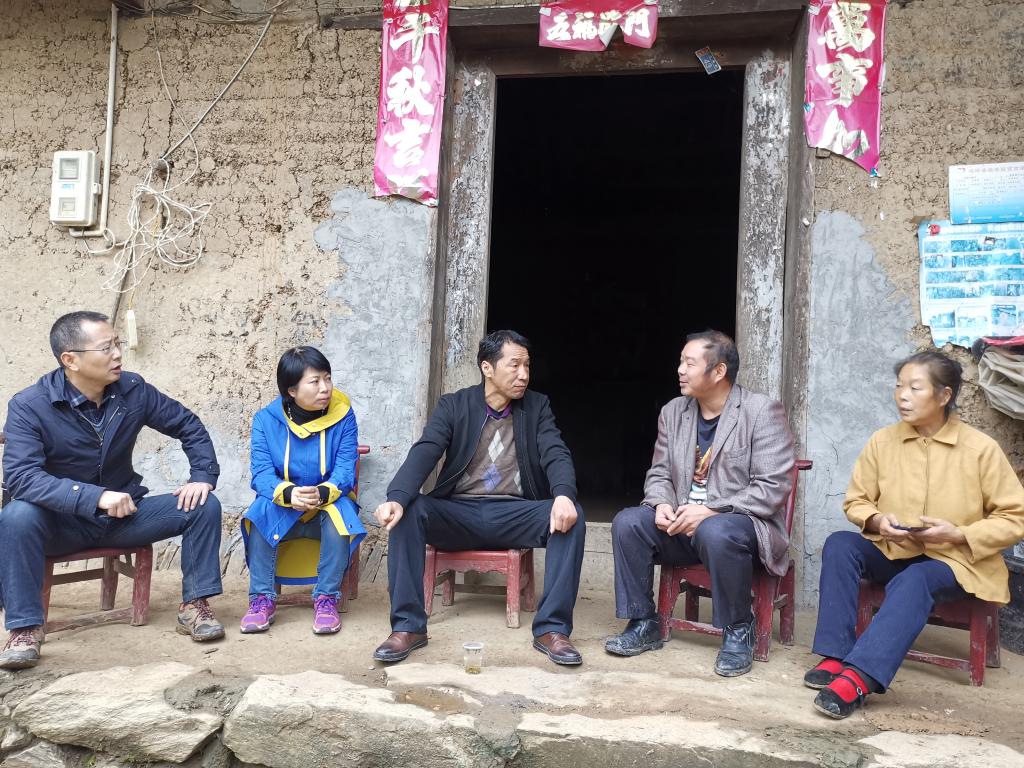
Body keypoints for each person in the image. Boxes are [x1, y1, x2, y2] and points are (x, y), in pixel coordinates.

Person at [806, 350, 1024, 719]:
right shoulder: (883, 441)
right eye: (898, 386)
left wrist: (959, 534)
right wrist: (877, 521)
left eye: (915, 388)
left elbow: (1013, 518)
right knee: (840, 545)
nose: (902, 396)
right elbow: (857, 500)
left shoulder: (980, 449)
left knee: (916, 578)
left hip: (956, 561)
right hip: (896, 549)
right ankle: (835, 654)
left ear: (944, 395)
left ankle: (860, 677)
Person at [0, 311, 224, 670]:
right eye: (106, 348)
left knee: (202, 505)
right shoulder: (29, 406)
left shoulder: (133, 390)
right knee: (16, 515)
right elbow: (22, 477)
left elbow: (187, 425)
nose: (118, 354)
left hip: (123, 517)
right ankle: (25, 629)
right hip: (60, 526)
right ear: (70, 360)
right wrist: (94, 497)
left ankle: (195, 605)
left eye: (117, 344)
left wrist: (202, 475)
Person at [372, 330, 586, 666]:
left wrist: (563, 495)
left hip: (514, 514)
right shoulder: (454, 405)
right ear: (487, 367)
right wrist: (396, 498)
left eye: (527, 366)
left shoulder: (537, 406)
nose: (524, 374)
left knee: (573, 516)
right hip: (458, 514)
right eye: (514, 365)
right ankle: (407, 627)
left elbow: (555, 452)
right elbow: (426, 450)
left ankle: (553, 629)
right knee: (409, 511)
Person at [605, 330, 795, 677]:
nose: (680, 370)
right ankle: (643, 622)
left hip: (740, 531)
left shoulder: (760, 411)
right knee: (628, 523)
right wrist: (661, 504)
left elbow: (772, 487)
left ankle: (739, 628)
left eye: (689, 363)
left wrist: (711, 510)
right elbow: (659, 473)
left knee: (715, 530)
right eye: (681, 361)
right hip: (681, 525)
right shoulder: (673, 412)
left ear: (718, 371)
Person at [241, 346, 366, 635]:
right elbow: (261, 474)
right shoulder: (266, 420)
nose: (325, 388)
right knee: (260, 509)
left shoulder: (343, 416)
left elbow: (345, 470)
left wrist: (323, 493)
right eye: (315, 381)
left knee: (339, 511)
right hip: (285, 508)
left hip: (325, 503)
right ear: (292, 390)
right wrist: (288, 494)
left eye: (328, 378)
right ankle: (261, 599)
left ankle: (326, 599)